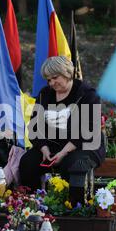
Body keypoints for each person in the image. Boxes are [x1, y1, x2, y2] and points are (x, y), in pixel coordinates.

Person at [19, 56, 105, 190]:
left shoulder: (88, 95)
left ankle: (70, 206)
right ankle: (32, 203)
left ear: (66, 73)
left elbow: (87, 130)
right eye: (48, 80)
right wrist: (44, 149)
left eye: (55, 77)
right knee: (27, 162)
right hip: (52, 145)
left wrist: (63, 152)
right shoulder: (45, 94)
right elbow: (34, 127)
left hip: (84, 146)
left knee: (72, 165)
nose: (51, 83)